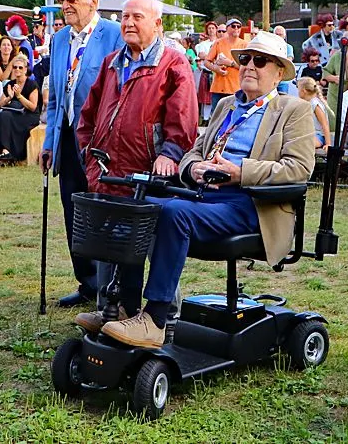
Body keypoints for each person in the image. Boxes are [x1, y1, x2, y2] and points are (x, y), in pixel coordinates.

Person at [98, 31, 313, 348]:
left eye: (260, 61)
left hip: (251, 204)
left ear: (279, 73)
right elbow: (194, 152)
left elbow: (298, 169)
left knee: (174, 213)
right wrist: (193, 167)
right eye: (245, 59)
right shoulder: (227, 105)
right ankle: (123, 308)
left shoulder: (293, 110)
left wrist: (240, 173)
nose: (249, 66)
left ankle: (155, 319)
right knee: (138, 207)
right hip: (205, 196)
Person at [71, 0, 199, 331]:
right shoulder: (112, 62)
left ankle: (163, 319)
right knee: (110, 242)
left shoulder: (173, 63)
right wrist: (89, 154)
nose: (128, 23)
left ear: (157, 24)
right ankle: (112, 311)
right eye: (125, 17)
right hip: (109, 172)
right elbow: (88, 115)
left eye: (137, 17)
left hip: (149, 174)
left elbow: (184, 116)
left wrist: (170, 153)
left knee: (154, 242)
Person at [40, 0, 125, 308]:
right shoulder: (60, 39)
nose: (66, 6)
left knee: (103, 211)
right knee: (73, 210)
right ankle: (87, 282)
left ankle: (111, 285)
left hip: (100, 139)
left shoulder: (114, 34)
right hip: (66, 136)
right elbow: (55, 97)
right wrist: (49, 143)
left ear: (94, 2)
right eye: (63, 0)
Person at [0, 57, 40, 163]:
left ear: (25, 69)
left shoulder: (32, 84)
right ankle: (5, 151)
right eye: (15, 67)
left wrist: (19, 96)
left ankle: (15, 154)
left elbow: (33, 107)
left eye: (20, 67)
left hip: (29, 115)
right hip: (13, 113)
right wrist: (9, 98)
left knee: (6, 118)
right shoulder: (9, 84)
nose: (17, 69)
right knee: (2, 116)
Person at [202, 19, 248, 111]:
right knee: (217, 115)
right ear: (227, 29)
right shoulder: (218, 43)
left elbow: (247, 67)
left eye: (238, 26)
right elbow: (206, 62)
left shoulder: (245, 45)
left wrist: (230, 63)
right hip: (218, 88)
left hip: (236, 89)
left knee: (233, 115)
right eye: (233, 26)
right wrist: (215, 68)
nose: (236, 28)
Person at [296, 76, 331, 151]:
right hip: (307, 134)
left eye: (298, 89)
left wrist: (328, 144)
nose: (297, 92)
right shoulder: (305, 103)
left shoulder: (315, 104)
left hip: (318, 136)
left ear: (304, 91)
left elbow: (324, 124)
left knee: (303, 144)